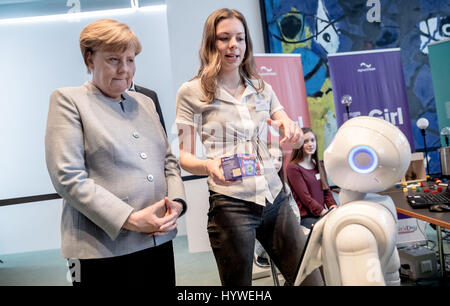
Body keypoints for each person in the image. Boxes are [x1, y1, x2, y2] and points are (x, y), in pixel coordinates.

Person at [176, 8, 323, 286]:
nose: (234, 45)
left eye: (240, 38)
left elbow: (285, 123)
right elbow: (184, 156)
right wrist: (208, 165)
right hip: (231, 205)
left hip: (274, 197)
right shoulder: (191, 92)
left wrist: (291, 134)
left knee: (310, 280)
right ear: (211, 43)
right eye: (224, 38)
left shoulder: (260, 86)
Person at [45, 19, 186, 287]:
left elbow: (168, 161)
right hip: (100, 251)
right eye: (113, 59)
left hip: (157, 240)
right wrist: (130, 219)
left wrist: (176, 202)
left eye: (130, 60)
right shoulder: (68, 100)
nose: (124, 69)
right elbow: (68, 178)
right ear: (89, 59)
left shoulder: (145, 102)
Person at [286, 127, 338, 229]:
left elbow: (326, 191)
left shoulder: (319, 165)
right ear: (299, 145)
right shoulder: (293, 168)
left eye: (312, 140)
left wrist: (333, 207)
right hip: (306, 217)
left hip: (321, 214)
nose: (310, 144)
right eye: (306, 141)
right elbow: (306, 198)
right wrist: (324, 213)